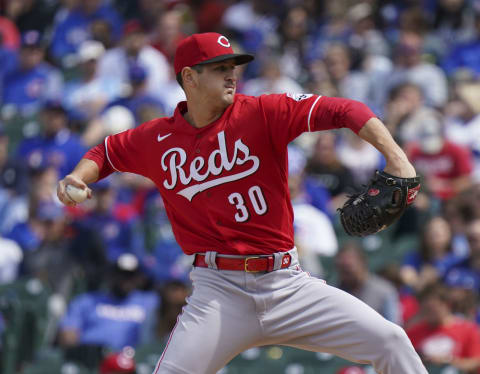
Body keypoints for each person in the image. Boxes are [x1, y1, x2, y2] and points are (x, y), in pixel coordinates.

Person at [57, 32, 427, 374]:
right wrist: (79, 176)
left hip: (287, 284)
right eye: (219, 69)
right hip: (219, 292)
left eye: (233, 67)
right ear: (190, 77)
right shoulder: (158, 139)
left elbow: (347, 109)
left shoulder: (264, 112)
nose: (231, 75)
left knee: (391, 342)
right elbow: (106, 152)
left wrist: (397, 158)